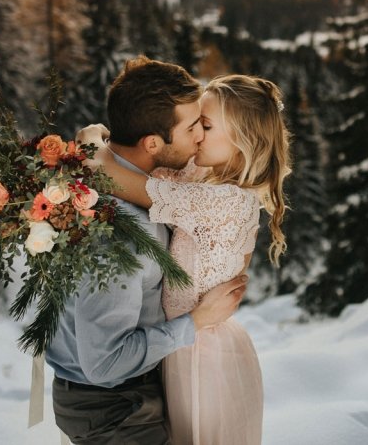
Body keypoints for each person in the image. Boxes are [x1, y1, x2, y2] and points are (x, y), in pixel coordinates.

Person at [45, 57, 249, 445]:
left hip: (122, 395)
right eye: (193, 128)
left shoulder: (137, 183)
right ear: (153, 142)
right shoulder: (121, 232)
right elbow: (105, 363)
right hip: (114, 407)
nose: (200, 139)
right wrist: (196, 322)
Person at [80, 74, 291, 445]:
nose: (196, 135)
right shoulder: (202, 173)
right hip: (184, 345)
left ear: (243, 141)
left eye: (205, 126)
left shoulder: (226, 202)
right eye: (194, 124)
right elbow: (152, 158)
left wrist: (92, 141)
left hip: (205, 356)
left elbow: (117, 178)